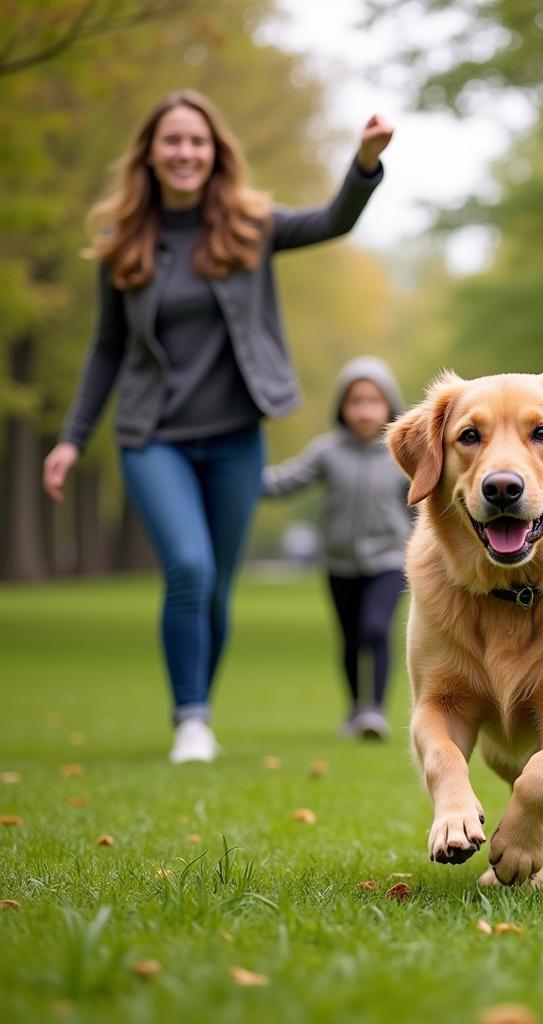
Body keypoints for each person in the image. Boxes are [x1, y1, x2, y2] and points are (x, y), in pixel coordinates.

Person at [42, 90, 393, 764]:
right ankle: (191, 718)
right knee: (189, 568)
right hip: (154, 439)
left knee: (218, 586)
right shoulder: (123, 244)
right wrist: (71, 438)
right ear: (150, 153)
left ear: (215, 153)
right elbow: (107, 347)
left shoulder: (250, 226)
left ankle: (199, 704)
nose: (185, 152)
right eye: (172, 140)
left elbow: (331, 222)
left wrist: (364, 164)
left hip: (235, 435)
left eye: (197, 142)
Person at [262, 356, 410, 740]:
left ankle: (374, 711)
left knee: (376, 629)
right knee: (350, 637)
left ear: (389, 405)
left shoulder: (402, 453)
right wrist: (243, 474)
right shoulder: (326, 451)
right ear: (342, 408)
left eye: (373, 401)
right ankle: (354, 710)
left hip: (389, 559)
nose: (364, 410)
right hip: (339, 563)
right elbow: (284, 482)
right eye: (356, 401)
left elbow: (425, 505)